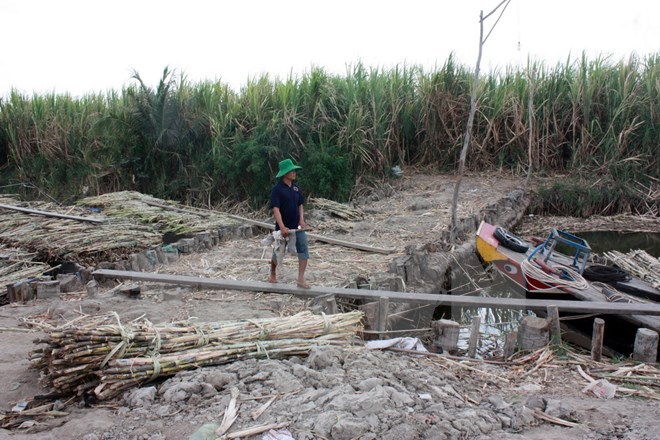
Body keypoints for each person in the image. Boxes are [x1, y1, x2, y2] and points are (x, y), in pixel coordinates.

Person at [268, 158, 311, 288]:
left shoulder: (296, 188)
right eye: (291, 170)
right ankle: (273, 272)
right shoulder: (277, 189)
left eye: (294, 170)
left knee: (303, 249)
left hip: (297, 228)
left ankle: (301, 279)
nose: (294, 172)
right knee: (278, 252)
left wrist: (301, 220)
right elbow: (276, 209)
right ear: (284, 173)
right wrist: (281, 226)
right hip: (283, 228)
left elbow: (300, 205)